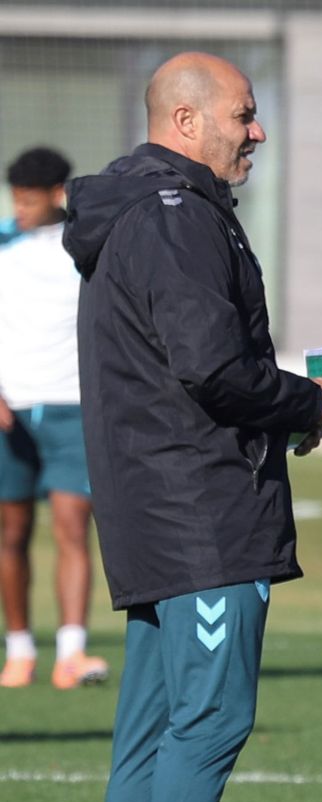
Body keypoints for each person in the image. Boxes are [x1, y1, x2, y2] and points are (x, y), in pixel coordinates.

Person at [63, 52, 322, 802]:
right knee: (206, 722)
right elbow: (213, 368)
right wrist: (307, 399)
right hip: (199, 515)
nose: (256, 131)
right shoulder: (176, 219)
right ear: (186, 123)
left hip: (155, 514)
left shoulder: (141, 213)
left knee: (150, 733)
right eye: (244, 115)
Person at [0, 147, 110, 690]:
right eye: (14, 198)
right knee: (11, 532)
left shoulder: (86, 244)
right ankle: (19, 649)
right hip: (10, 410)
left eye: (28, 199)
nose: (19, 208)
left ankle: (72, 652)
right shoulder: (2, 242)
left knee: (72, 527)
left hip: (74, 407)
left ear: (57, 194)